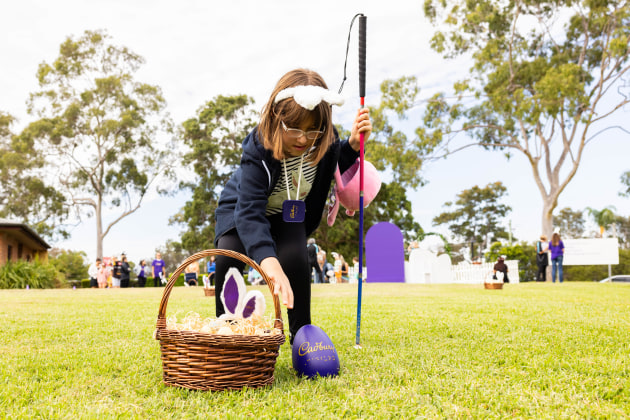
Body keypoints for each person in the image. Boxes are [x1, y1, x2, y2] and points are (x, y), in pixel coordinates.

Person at [212, 68, 372, 343]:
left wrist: (353, 145)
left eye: (313, 130)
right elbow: (249, 211)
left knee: (295, 259)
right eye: (295, 128)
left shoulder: (326, 137)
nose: (303, 138)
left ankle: (302, 336)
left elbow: (335, 162)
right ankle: (229, 333)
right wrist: (269, 264)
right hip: (243, 211)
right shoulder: (258, 146)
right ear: (277, 119)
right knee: (229, 255)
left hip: (288, 215)